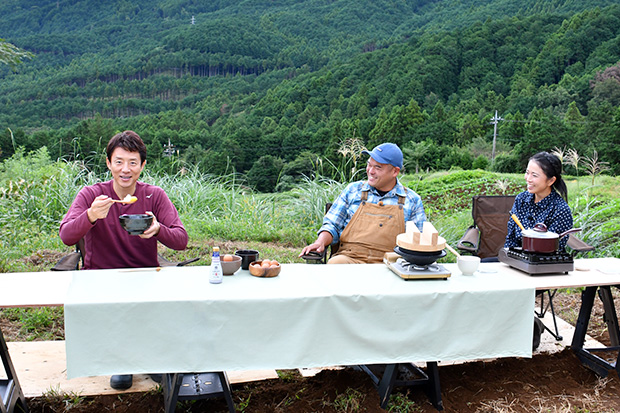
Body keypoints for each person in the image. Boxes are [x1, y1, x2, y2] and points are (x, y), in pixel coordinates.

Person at [59, 130, 188, 390]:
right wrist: (91, 215)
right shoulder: (92, 195)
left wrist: (158, 229)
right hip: (102, 277)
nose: (125, 169)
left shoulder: (153, 196)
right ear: (108, 163)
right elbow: (66, 234)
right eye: (118, 162)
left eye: (132, 162)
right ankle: (121, 360)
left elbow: (181, 239)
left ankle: (151, 358)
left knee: (165, 305)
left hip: (145, 276)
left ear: (142, 165)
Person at [300, 142, 426, 264]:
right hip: (350, 258)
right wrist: (320, 241)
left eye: (378, 167)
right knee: (336, 264)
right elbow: (332, 224)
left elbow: (419, 240)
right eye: (369, 165)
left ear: (395, 172)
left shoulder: (412, 200)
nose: (370, 171)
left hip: (392, 263)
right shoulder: (353, 190)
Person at [505, 151, 573, 251]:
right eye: (527, 173)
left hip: (544, 263)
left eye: (534, 175)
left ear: (551, 181)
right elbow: (510, 238)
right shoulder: (521, 199)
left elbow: (553, 248)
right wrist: (509, 258)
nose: (528, 179)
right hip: (517, 257)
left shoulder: (560, 210)